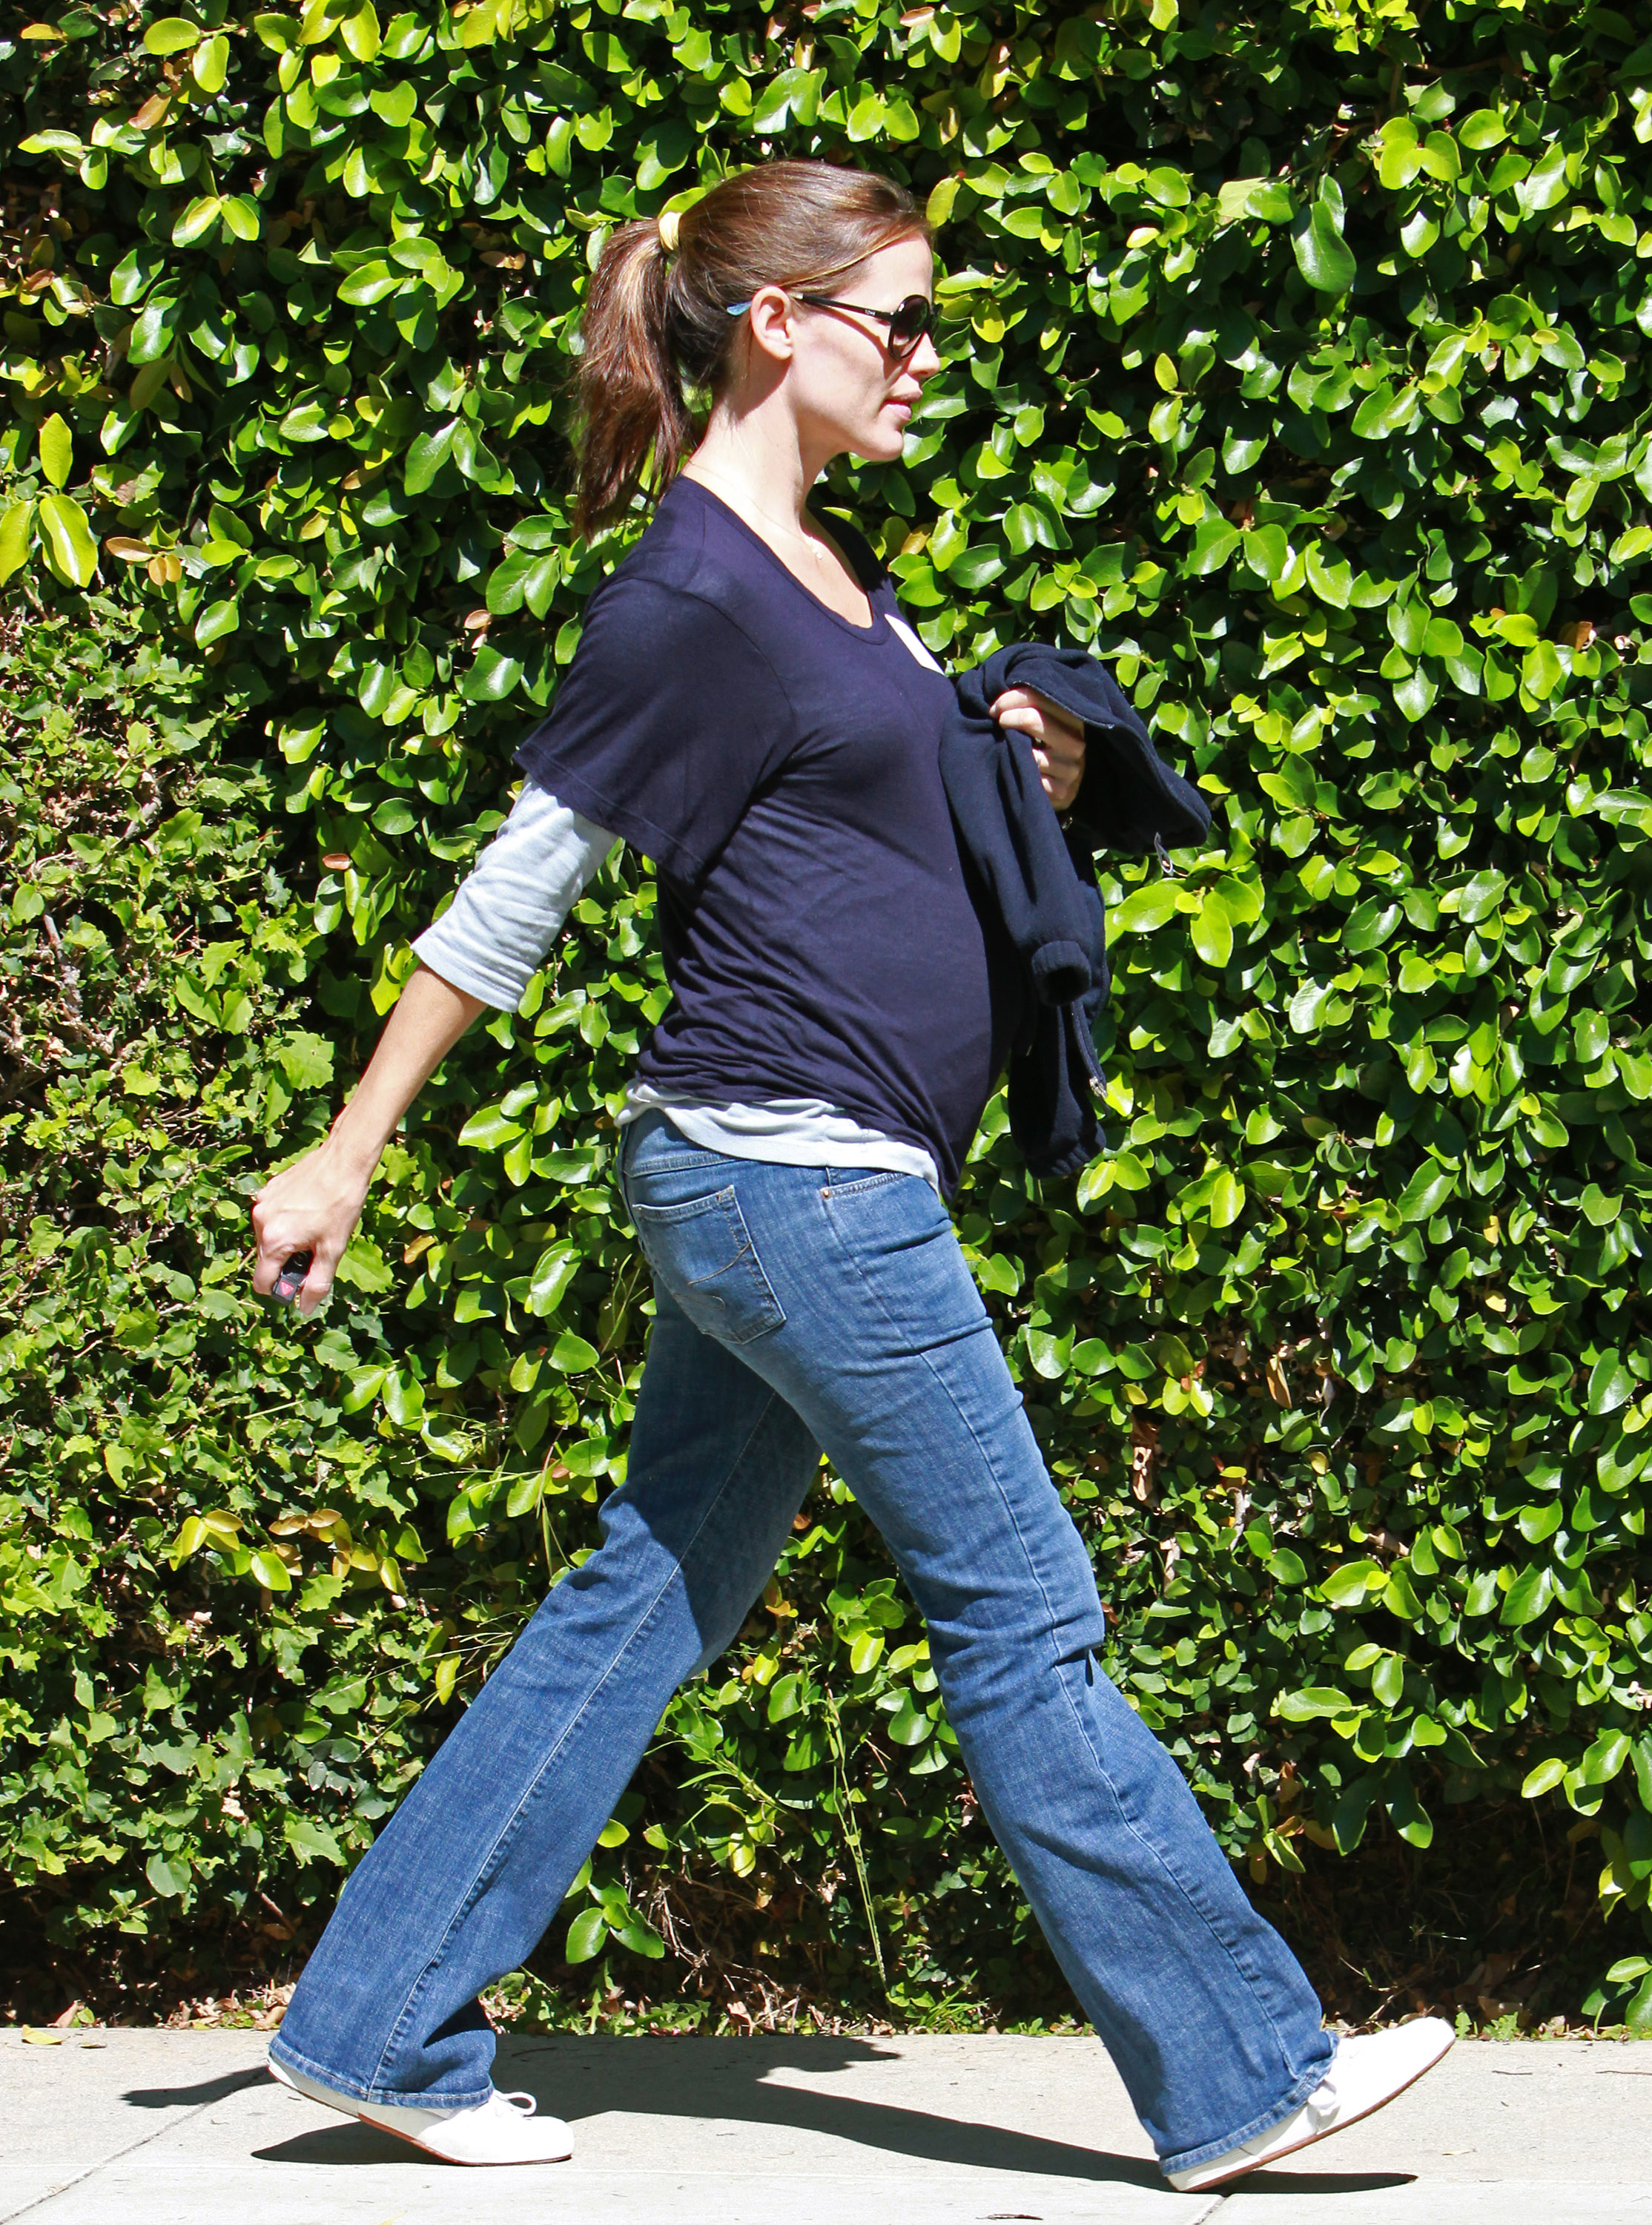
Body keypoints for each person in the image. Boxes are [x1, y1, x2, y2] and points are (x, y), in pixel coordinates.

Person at [249, 159, 1453, 2189]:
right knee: (1020, 1614)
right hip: (791, 1178)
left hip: (784, 1172)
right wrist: (350, 1144)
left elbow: (868, 820)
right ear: (780, 323)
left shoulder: (823, 569)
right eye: (896, 319)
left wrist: (1029, 753)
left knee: (637, 1601)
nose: (923, 358)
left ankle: (371, 2025)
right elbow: (521, 883)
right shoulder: (688, 595)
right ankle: (1243, 2073)